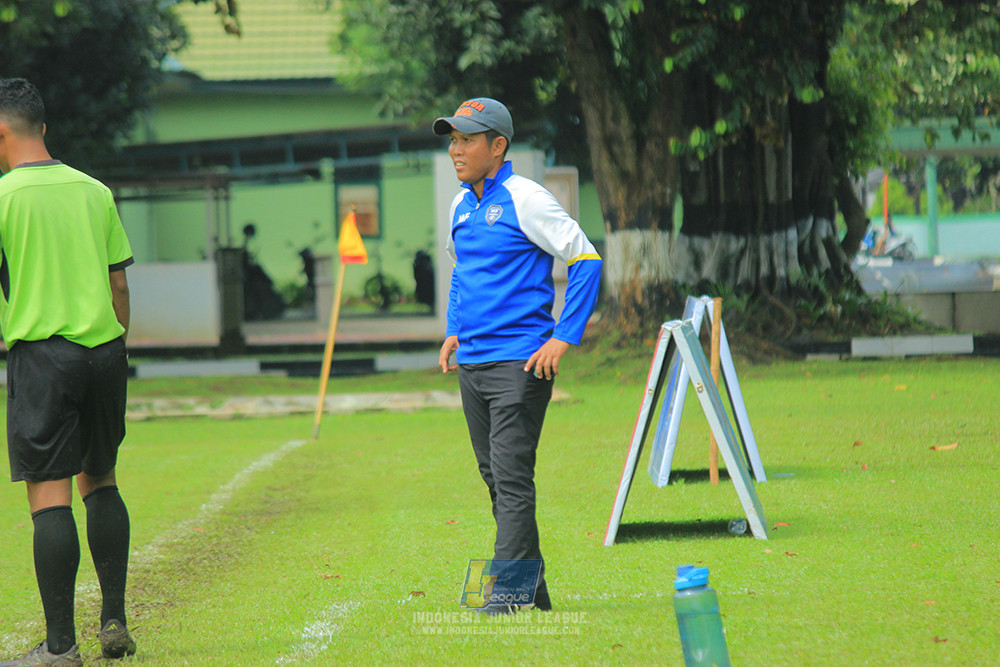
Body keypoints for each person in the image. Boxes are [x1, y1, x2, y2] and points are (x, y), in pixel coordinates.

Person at [434, 98, 602, 613]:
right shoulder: (461, 205)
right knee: (496, 479)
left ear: (498, 145)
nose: (455, 149)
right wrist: (455, 329)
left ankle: (504, 596)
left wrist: (563, 337)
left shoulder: (527, 198)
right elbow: (463, 272)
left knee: (509, 477)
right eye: (452, 139)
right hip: (474, 364)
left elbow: (586, 259)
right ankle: (534, 587)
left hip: (521, 364)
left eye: (466, 139)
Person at [0, 78, 136, 666]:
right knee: (100, 480)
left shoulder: (4, 197)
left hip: (42, 357)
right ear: (44, 128)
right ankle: (113, 623)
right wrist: (116, 350)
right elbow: (119, 283)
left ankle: (60, 648)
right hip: (106, 352)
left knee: (48, 498)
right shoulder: (94, 190)